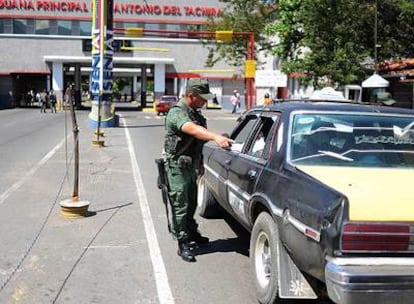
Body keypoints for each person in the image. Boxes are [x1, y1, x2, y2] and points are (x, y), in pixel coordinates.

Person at [163, 78, 233, 262]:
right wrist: (216, 137)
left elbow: (197, 142)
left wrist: (200, 164)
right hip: (177, 168)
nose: (205, 101)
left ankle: (191, 232)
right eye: (203, 98)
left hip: (190, 166)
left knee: (192, 202)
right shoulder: (177, 113)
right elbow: (192, 130)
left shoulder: (195, 113)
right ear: (192, 96)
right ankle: (182, 242)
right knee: (180, 205)